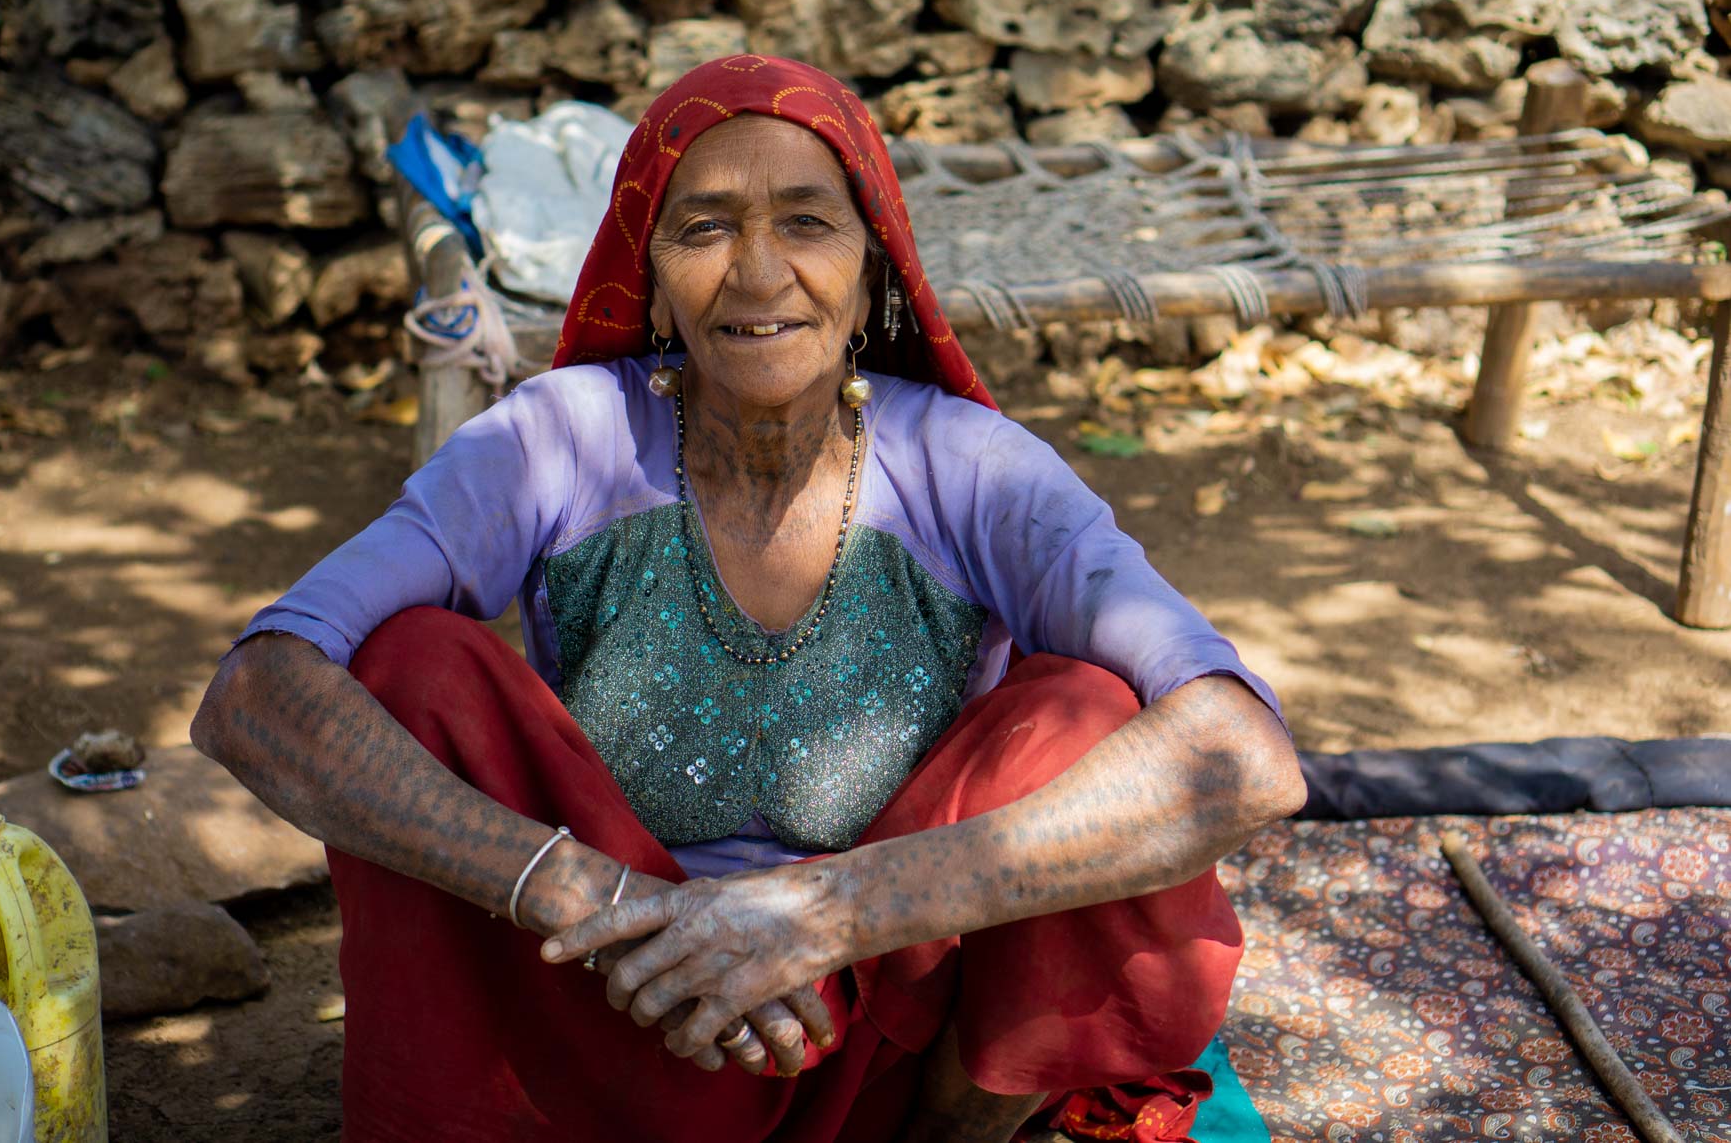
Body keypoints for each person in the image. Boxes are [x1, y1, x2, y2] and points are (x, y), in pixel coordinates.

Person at [191, 55, 1305, 1143]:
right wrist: (592, 900)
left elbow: (1242, 757)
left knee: (1081, 714)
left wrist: (830, 912)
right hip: (587, 1024)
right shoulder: (561, 439)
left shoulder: (975, 469)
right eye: (707, 226)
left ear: (874, 274)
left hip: (874, 1056)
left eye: (808, 223)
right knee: (413, 668)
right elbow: (258, 693)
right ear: (656, 279)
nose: (758, 272)